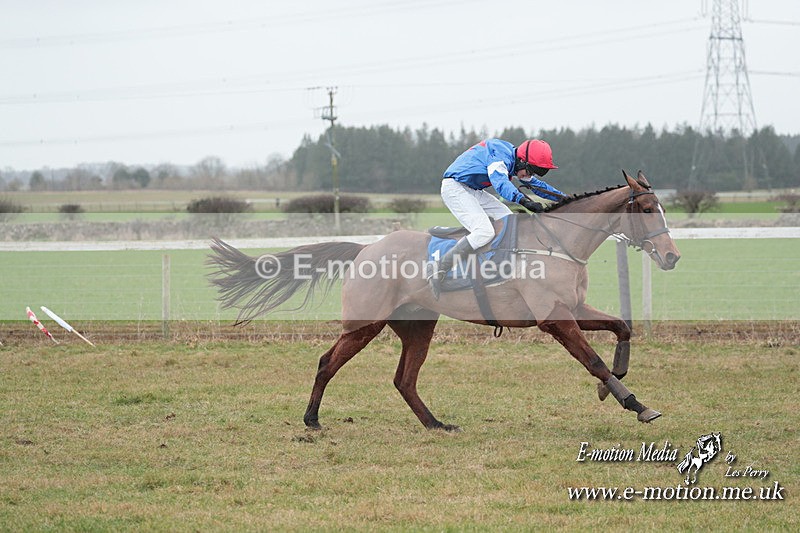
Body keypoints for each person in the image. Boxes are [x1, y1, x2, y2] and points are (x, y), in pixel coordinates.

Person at [428, 138, 564, 298]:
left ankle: (500, 266)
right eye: (530, 171)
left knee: (509, 221)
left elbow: (538, 186)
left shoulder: (517, 162)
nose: (530, 175)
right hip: (455, 188)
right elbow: (500, 184)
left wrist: (566, 199)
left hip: (472, 189)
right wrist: (525, 201)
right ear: (522, 160)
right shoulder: (500, 155)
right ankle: (439, 267)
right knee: (483, 231)